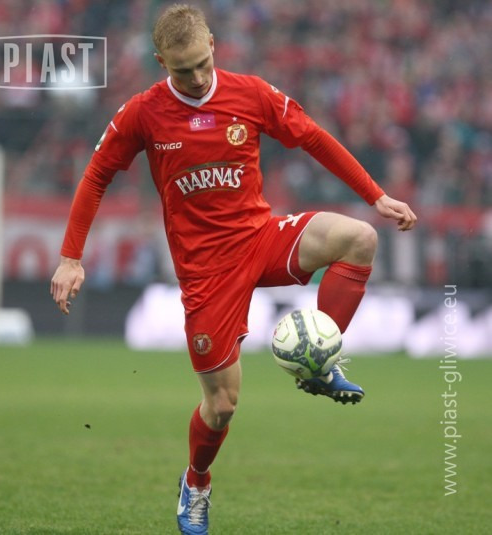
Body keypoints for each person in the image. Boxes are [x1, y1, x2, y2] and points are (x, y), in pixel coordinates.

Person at [50, 4, 417, 534]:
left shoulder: (251, 94)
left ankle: (320, 361)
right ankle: (196, 482)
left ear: (214, 45)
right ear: (161, 62)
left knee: (359, 238)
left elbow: (313, 137)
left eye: (203, 63)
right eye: (183, 70)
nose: (198, 78)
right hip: (205, 273)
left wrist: (375, 195)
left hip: (260, 237)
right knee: (221, 405)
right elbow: (96, 175)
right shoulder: (143, 113)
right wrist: (70, 257)